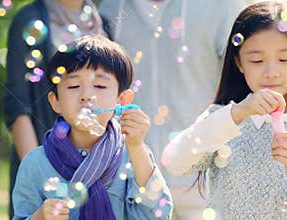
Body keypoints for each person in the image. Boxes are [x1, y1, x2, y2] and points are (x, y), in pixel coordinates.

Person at [162, 1, 287, 219]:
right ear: (239, 63)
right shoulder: (225, 120)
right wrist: (236, 114)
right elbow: (174, 160)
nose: (271, 72)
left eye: (284, 59)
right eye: (257, 60)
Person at [97, 0, 245, 218]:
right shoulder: (111, 9)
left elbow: (242, 83)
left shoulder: (222, 6)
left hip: (204, 177)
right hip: (133, 180)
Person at [12, 35, 172, 220]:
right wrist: (38, 217)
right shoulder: (35, 164)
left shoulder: (134, 155)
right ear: (55, 102)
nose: (87, 95)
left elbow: (158, 215)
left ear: (122, 100)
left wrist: (137, 146)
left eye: (100, 85)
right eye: (73, 86)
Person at [4, 0, 112, 218]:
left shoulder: (104, 24)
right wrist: (39, 173)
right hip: (48, 158)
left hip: (98, 166)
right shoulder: (28, 19)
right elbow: (18, 104)